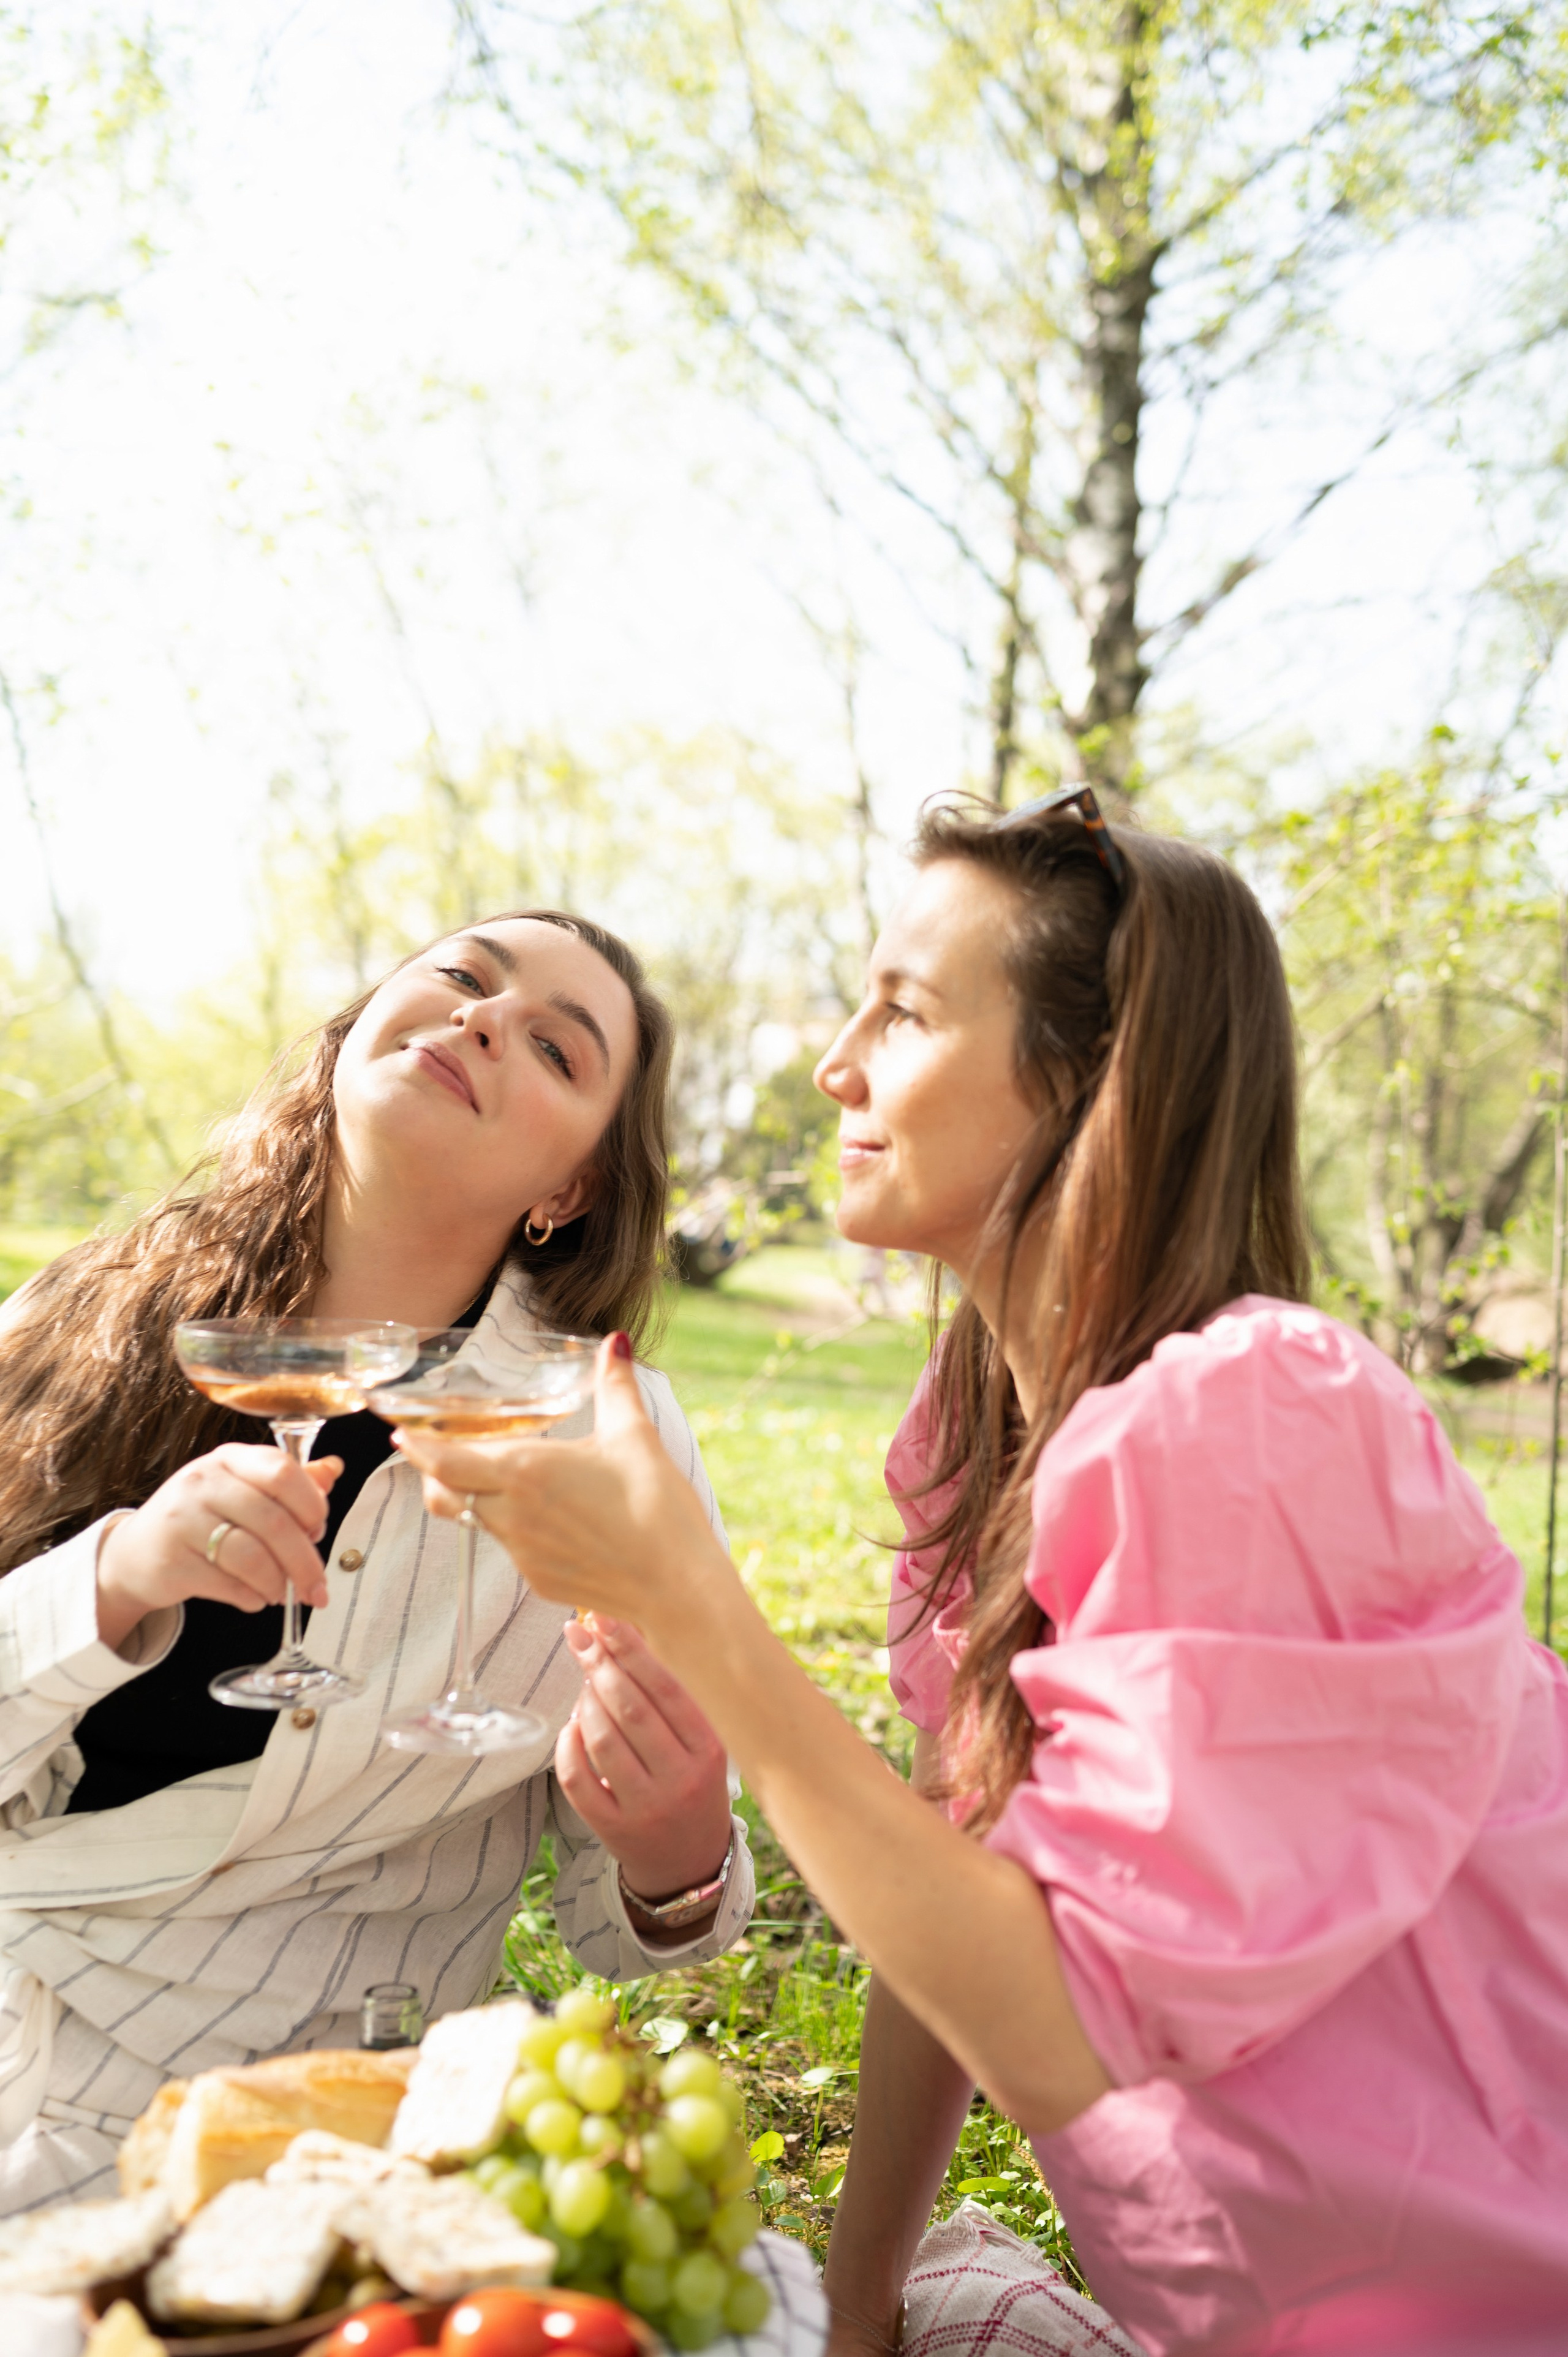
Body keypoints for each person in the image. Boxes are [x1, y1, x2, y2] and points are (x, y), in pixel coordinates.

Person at [394, 804, 1568, 2357]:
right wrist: (854, 2310)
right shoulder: (977, 1438)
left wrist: (688, 1602)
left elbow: (1064, 2020)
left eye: (907, 1011)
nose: (837, 1063)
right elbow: (953, 1902)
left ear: (1092, 1090)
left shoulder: (1255, 1414)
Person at [0, 908, 753, 2215]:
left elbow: (618, 1921)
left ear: (567, 1188)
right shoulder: (85, 1314)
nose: (481, 1021)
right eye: (463, 979)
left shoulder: (607, 1440)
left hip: (270, 2130)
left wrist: (677, 1851)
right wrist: (114, 1577)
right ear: (357, 1035)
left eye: (555, 1050)